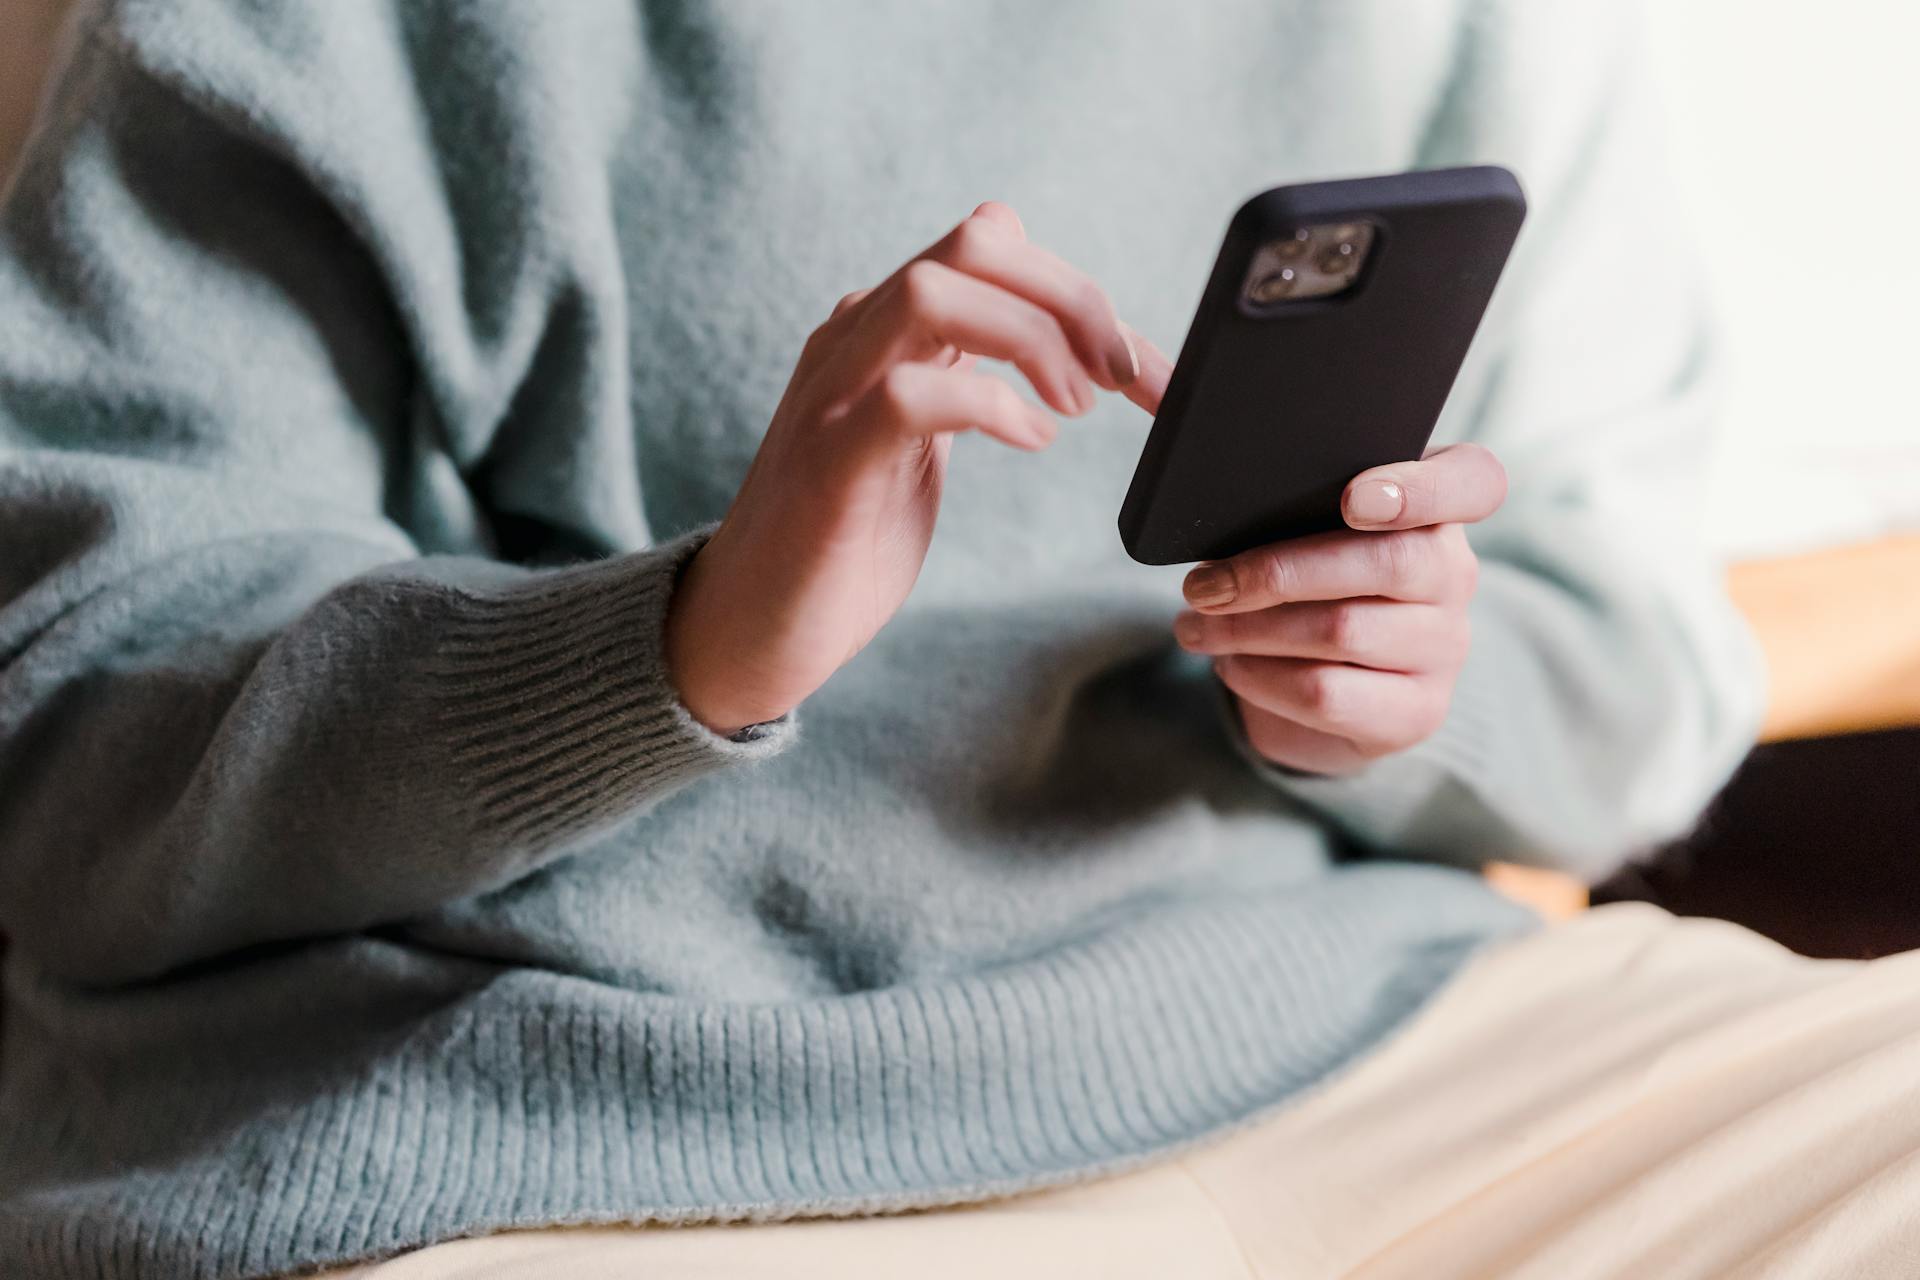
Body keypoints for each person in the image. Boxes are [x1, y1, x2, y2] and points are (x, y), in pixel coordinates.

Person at [4, 2, 1918, 1278]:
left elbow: (1645, 667)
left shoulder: (1471, 28)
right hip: (551, 1130)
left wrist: (1410, 690)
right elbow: (71, 744)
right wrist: (682, 644)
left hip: (1358, 1032)